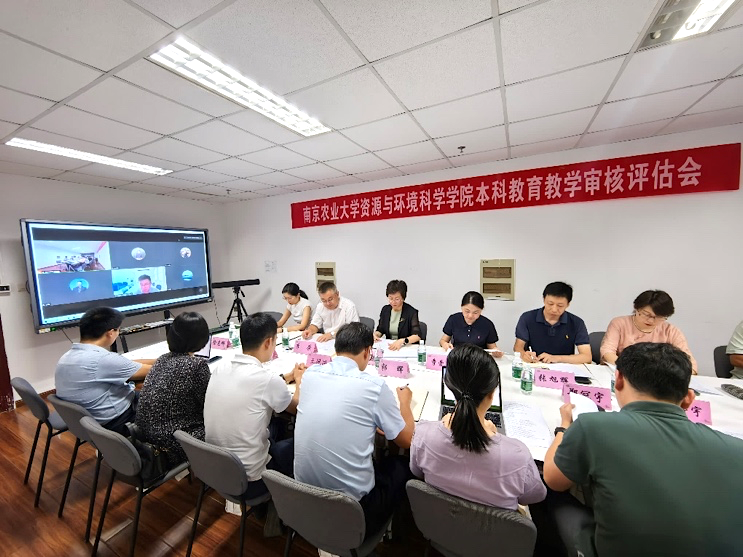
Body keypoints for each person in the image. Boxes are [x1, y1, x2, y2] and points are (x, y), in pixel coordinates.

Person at [541, 342, 743, 557]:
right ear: (689, 399)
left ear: (618, 380)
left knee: (550, 496)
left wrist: (564, 427)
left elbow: (553, 479)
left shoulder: (593, 426)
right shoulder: (736, 450)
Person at [294, 322, 415, 537]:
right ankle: (389, 534)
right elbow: (406, 440)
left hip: (302, 497)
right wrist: (405, 402)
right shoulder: (374, 386)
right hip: (352, 511)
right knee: (400, 465)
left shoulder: (311, 375)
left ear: (336, 348)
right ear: (368, 351)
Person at [410, 344, 546, 509]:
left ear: (449, 385)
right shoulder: (518, 455)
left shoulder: (423, 434)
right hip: (493, 526)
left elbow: (417, 472)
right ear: (491, 394)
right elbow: (534, 496)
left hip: (438, 520)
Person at [204, 313, 305, 495]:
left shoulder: (221, 368)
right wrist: (299, 380)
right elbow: (297, 408)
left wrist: (286, 377)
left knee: (273, 425)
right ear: (268, 342)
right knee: (300, 443)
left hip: (217, 471)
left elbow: (256, 386)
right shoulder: (267, 379)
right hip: (251, 481)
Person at [55, 307, 155, 435]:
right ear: (110, 333)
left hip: (87, 423)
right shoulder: (103, 360)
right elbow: (151, 370)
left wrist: (159, 359)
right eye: (118, 330)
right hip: (117, 422)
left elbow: (127, 363)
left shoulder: (67, 356)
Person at [135, 312, 211, 467]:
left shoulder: (163, 358)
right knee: (227, 426)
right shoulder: (196, 365)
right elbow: (209, 405)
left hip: (145, 435)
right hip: (172, 442)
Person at [600, 290, 697, 373]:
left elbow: (690, 364)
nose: (651, 320)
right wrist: (633, 370)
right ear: (636, 308)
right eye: (646, 314)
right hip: (623, 373)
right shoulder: (619, 323)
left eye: (658, 317)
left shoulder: (671, 331)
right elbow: (607, 352)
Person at [514, 282, 591, 365]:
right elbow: (518, 348)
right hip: (535, 364)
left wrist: (556, 358)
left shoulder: (576, 323)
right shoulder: (527, 318)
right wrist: (524, 355)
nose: (554, 309)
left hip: (563, 366)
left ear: (568, 304)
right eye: (550, 304)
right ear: (544, 299)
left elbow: (587, 357)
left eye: (560, 306)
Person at [440, 291, 503, 355]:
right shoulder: (454, 319)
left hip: (479, 358)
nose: (470, 316)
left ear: (481, 310)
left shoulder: (487, 325)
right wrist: (445, 344)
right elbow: (443, 340)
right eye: (467, 311)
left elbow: (492, 348)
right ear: (461, 307)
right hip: (457, 357)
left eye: (475, 312)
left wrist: (496, 352)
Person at [373, 280, 422, 350]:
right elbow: (380, 329)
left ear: (403, 298)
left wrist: (402, 341)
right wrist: (375, 335)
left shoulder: (411, 312)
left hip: (405, 348)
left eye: (397, 299)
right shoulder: (385, 310)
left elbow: (417, 336)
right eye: (390, 298)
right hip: (390, 347)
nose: (393, 302)